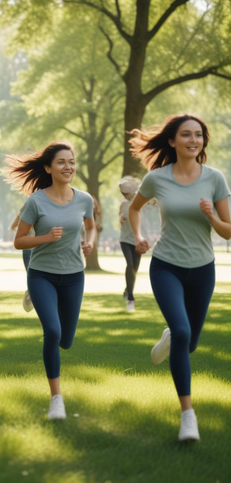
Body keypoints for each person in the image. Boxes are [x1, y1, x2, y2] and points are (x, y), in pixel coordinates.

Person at [128, 113, 231, 442]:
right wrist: (139, 235)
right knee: (185, 332)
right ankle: (188, 415)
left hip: (203, 269)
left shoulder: (215, 178)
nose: (193, 140)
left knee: (190, 342)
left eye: (198, 135)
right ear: (172, 141)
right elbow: (134, 208)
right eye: (186, 135)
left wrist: (211, 215)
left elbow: (228, 232)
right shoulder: (157, 178)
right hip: (166, 265)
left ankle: (171, 336)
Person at [8, 141, 96, 420]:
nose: (68, 167)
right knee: (53, 332)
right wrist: (44, 238)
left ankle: (38, 300)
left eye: (71, 161)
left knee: (66, 341)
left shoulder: (84, 199)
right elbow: (18, 241)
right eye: (61, 162)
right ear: (48, 168)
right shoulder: (35, 201)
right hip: (42, 274)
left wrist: (89, 243)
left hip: (73, 276)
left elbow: (91, 226)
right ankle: (56, 398)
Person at [118, 176, 142, 312]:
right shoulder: (123, 203)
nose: (124, 196)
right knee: (130, 264)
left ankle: (127, 289)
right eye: (122, 193)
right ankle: (131, 299)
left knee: (134, 269)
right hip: (125, 239)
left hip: (138, 240)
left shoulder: (140, 202)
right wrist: (121, 218)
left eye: (126, 193)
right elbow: (120, 214)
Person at [10, 204, 34, 312]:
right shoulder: (27, 207)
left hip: (41, 247)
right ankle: (31, 291)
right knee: (30, 273)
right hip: (28, 247)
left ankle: (32, 293)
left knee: (37, 274)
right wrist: (25, 227)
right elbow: (13, 226)